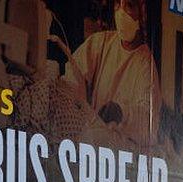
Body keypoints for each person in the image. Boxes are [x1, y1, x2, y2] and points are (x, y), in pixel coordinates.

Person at [60, 0, 162, 149]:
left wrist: (122, 112)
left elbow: (148, 125)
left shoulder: (145, 66)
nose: (120, 13)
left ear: (143, 13)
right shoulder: (100, 43)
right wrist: (76, 109)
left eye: (129, 6)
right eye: (117, 5)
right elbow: (72, 78)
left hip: (114, 148)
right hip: (89, 134)